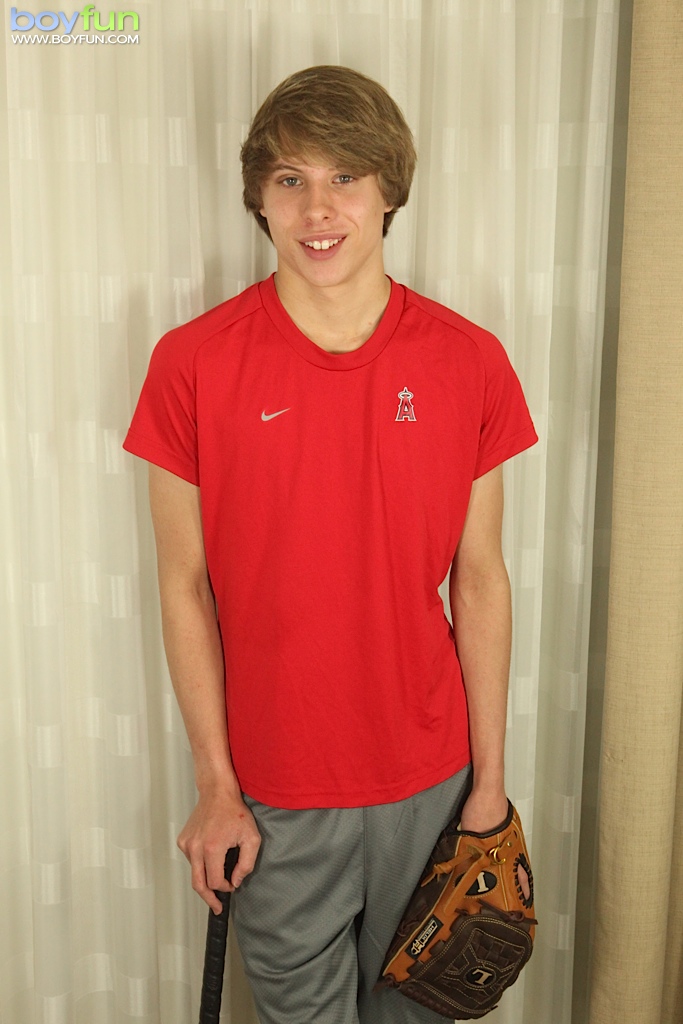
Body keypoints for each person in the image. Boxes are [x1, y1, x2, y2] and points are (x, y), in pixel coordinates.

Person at [123, 65, 538, 1024]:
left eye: (345, 176)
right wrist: (216, 785)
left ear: (388, 190)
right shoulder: (191, 363)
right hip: (273, 789)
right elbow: (183, 587)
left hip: (432, 785)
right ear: (258, 198)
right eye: (289, 179)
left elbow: (479, 579)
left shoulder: (469, 360)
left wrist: (490, 786)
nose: (318, 209)